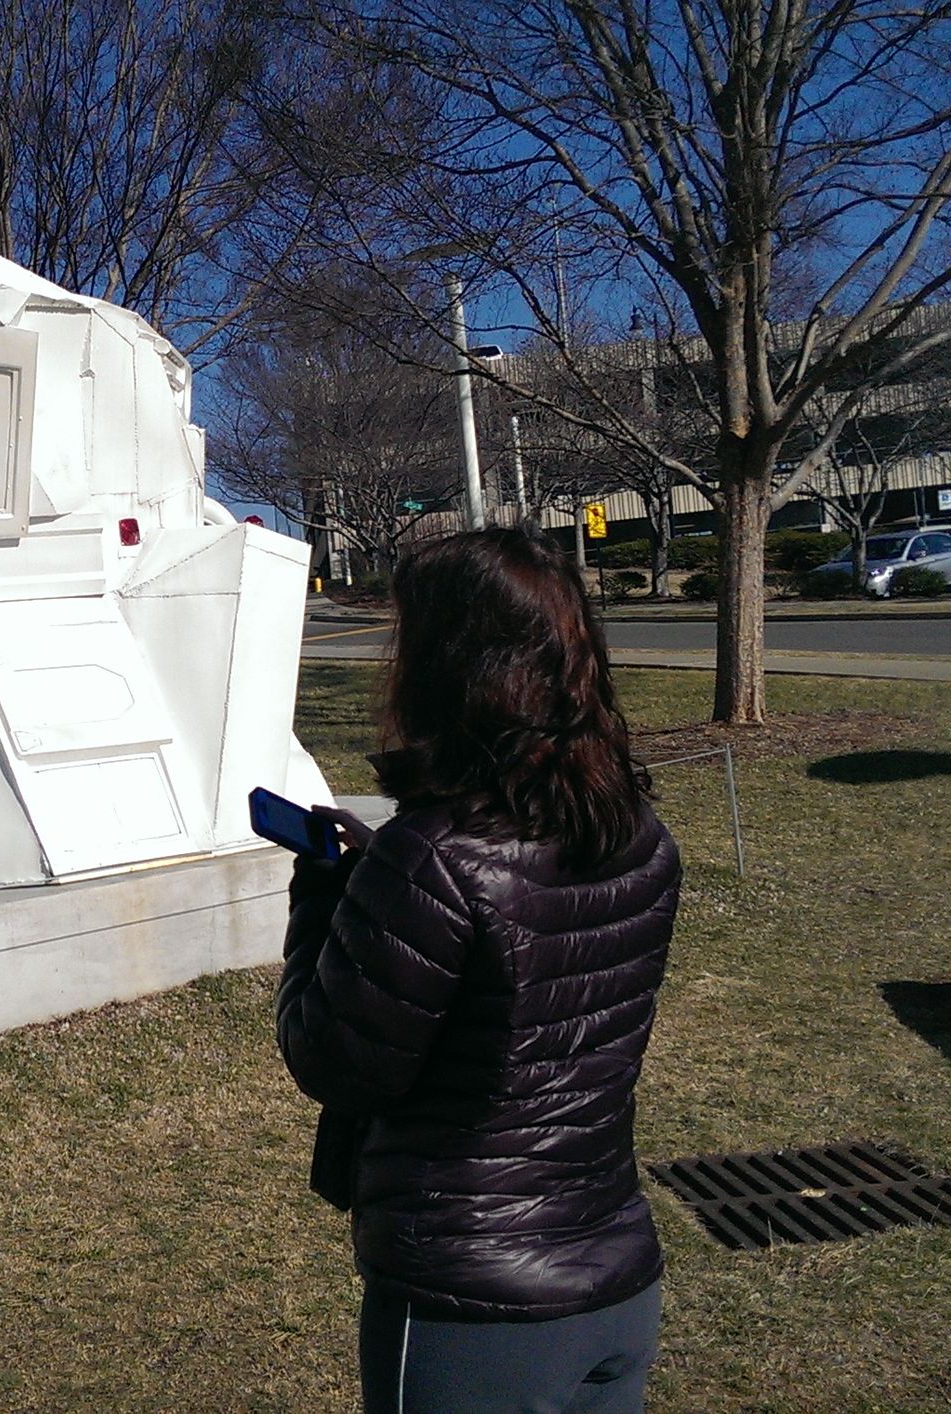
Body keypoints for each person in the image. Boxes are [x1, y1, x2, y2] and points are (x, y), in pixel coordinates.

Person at [278, 528, 681, 1414]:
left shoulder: (433, 860)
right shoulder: (638, 835)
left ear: (445, 669)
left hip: (474, 1307)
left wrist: (322, 900)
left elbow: (337, 1062)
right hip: (614, 1274)